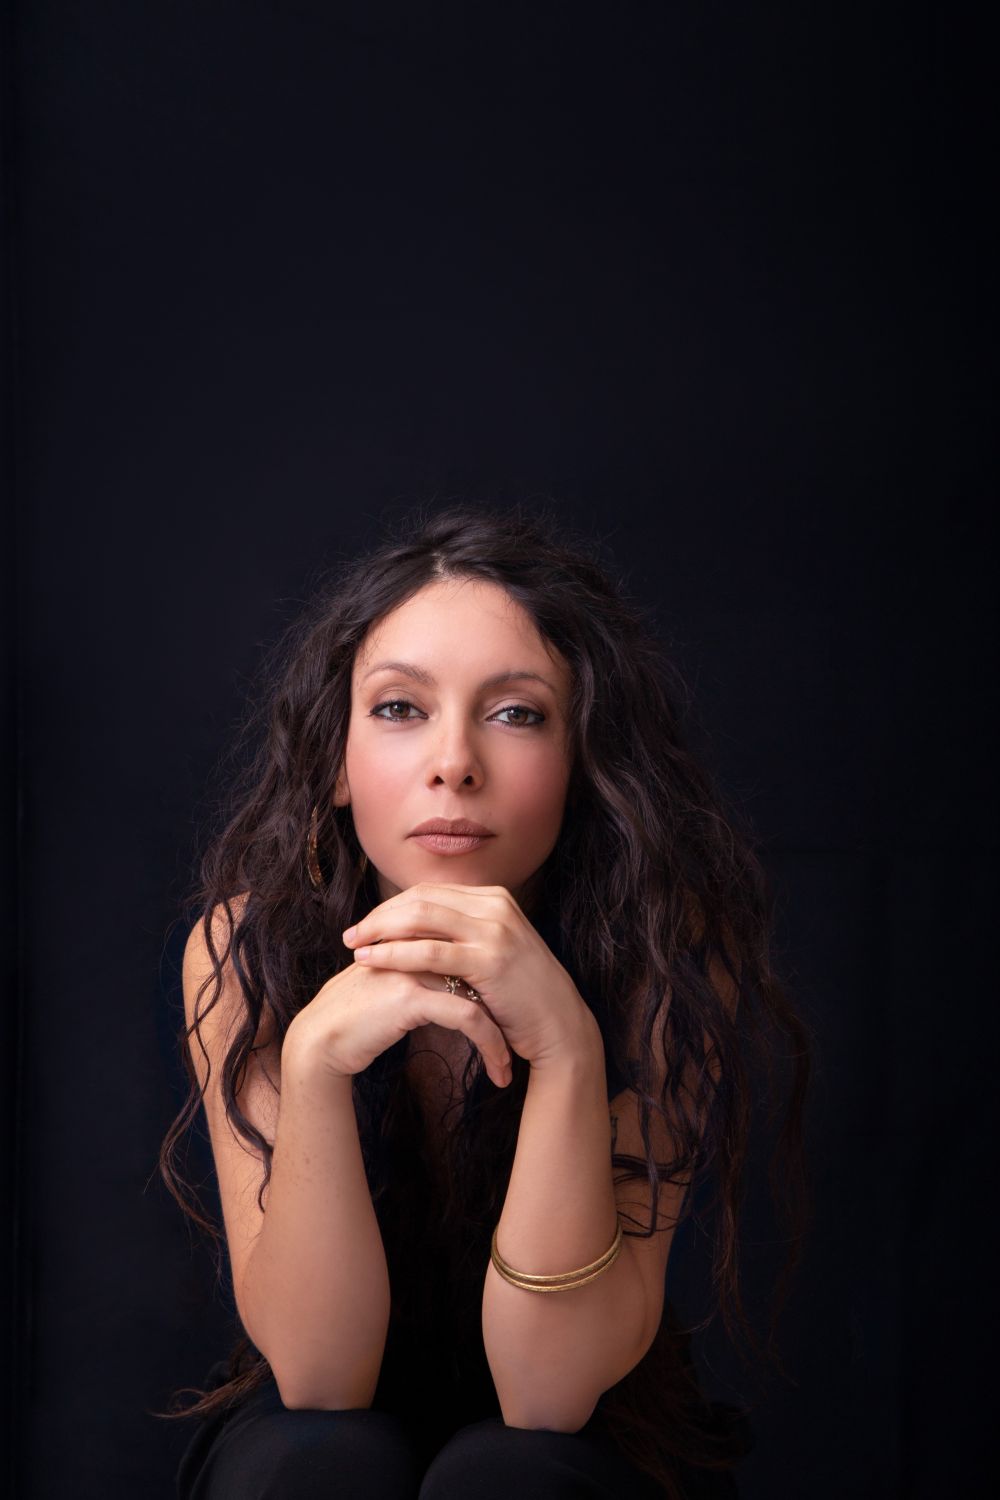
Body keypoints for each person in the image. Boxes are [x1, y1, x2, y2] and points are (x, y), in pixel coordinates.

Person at [156, 502, 811, 1499]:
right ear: (334, 764)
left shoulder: (665, 957)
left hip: (580, 1430)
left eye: (516, 714)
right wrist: (314, 1067)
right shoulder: (243, 949)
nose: (454, 762)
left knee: (511, 1475)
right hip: (313, 1431)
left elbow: (548, 1393)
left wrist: (567, 1049)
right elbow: (322, 1380)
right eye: (399, 708)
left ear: (582, 762)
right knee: (315, 1459)